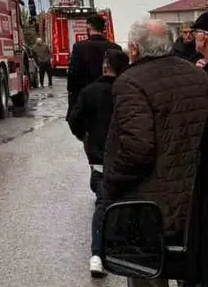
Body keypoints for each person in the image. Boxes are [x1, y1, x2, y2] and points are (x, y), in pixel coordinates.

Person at [102, 20, 208, 287]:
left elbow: (137, 149)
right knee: (191, 271)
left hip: (148, 204)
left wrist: (112, 181)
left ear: (133, 48)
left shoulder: (130, 82)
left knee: (148, 274)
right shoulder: (198, 76)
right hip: (194, 197)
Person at [69, 48, 130, 278]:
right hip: (126, 156)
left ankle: (98, 254)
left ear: (105, 66)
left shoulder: (90, 91)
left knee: (102, 200)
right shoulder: (128, 91)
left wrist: (84, 136)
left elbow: (74, 119)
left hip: (98, 156)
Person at [66, 13, 119, 118]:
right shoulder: (115, 48)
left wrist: (73, 102)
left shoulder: (79, 47)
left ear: (89, 26)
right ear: (103, 28)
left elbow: (73, 75)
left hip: (86, 100)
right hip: (109, 100)